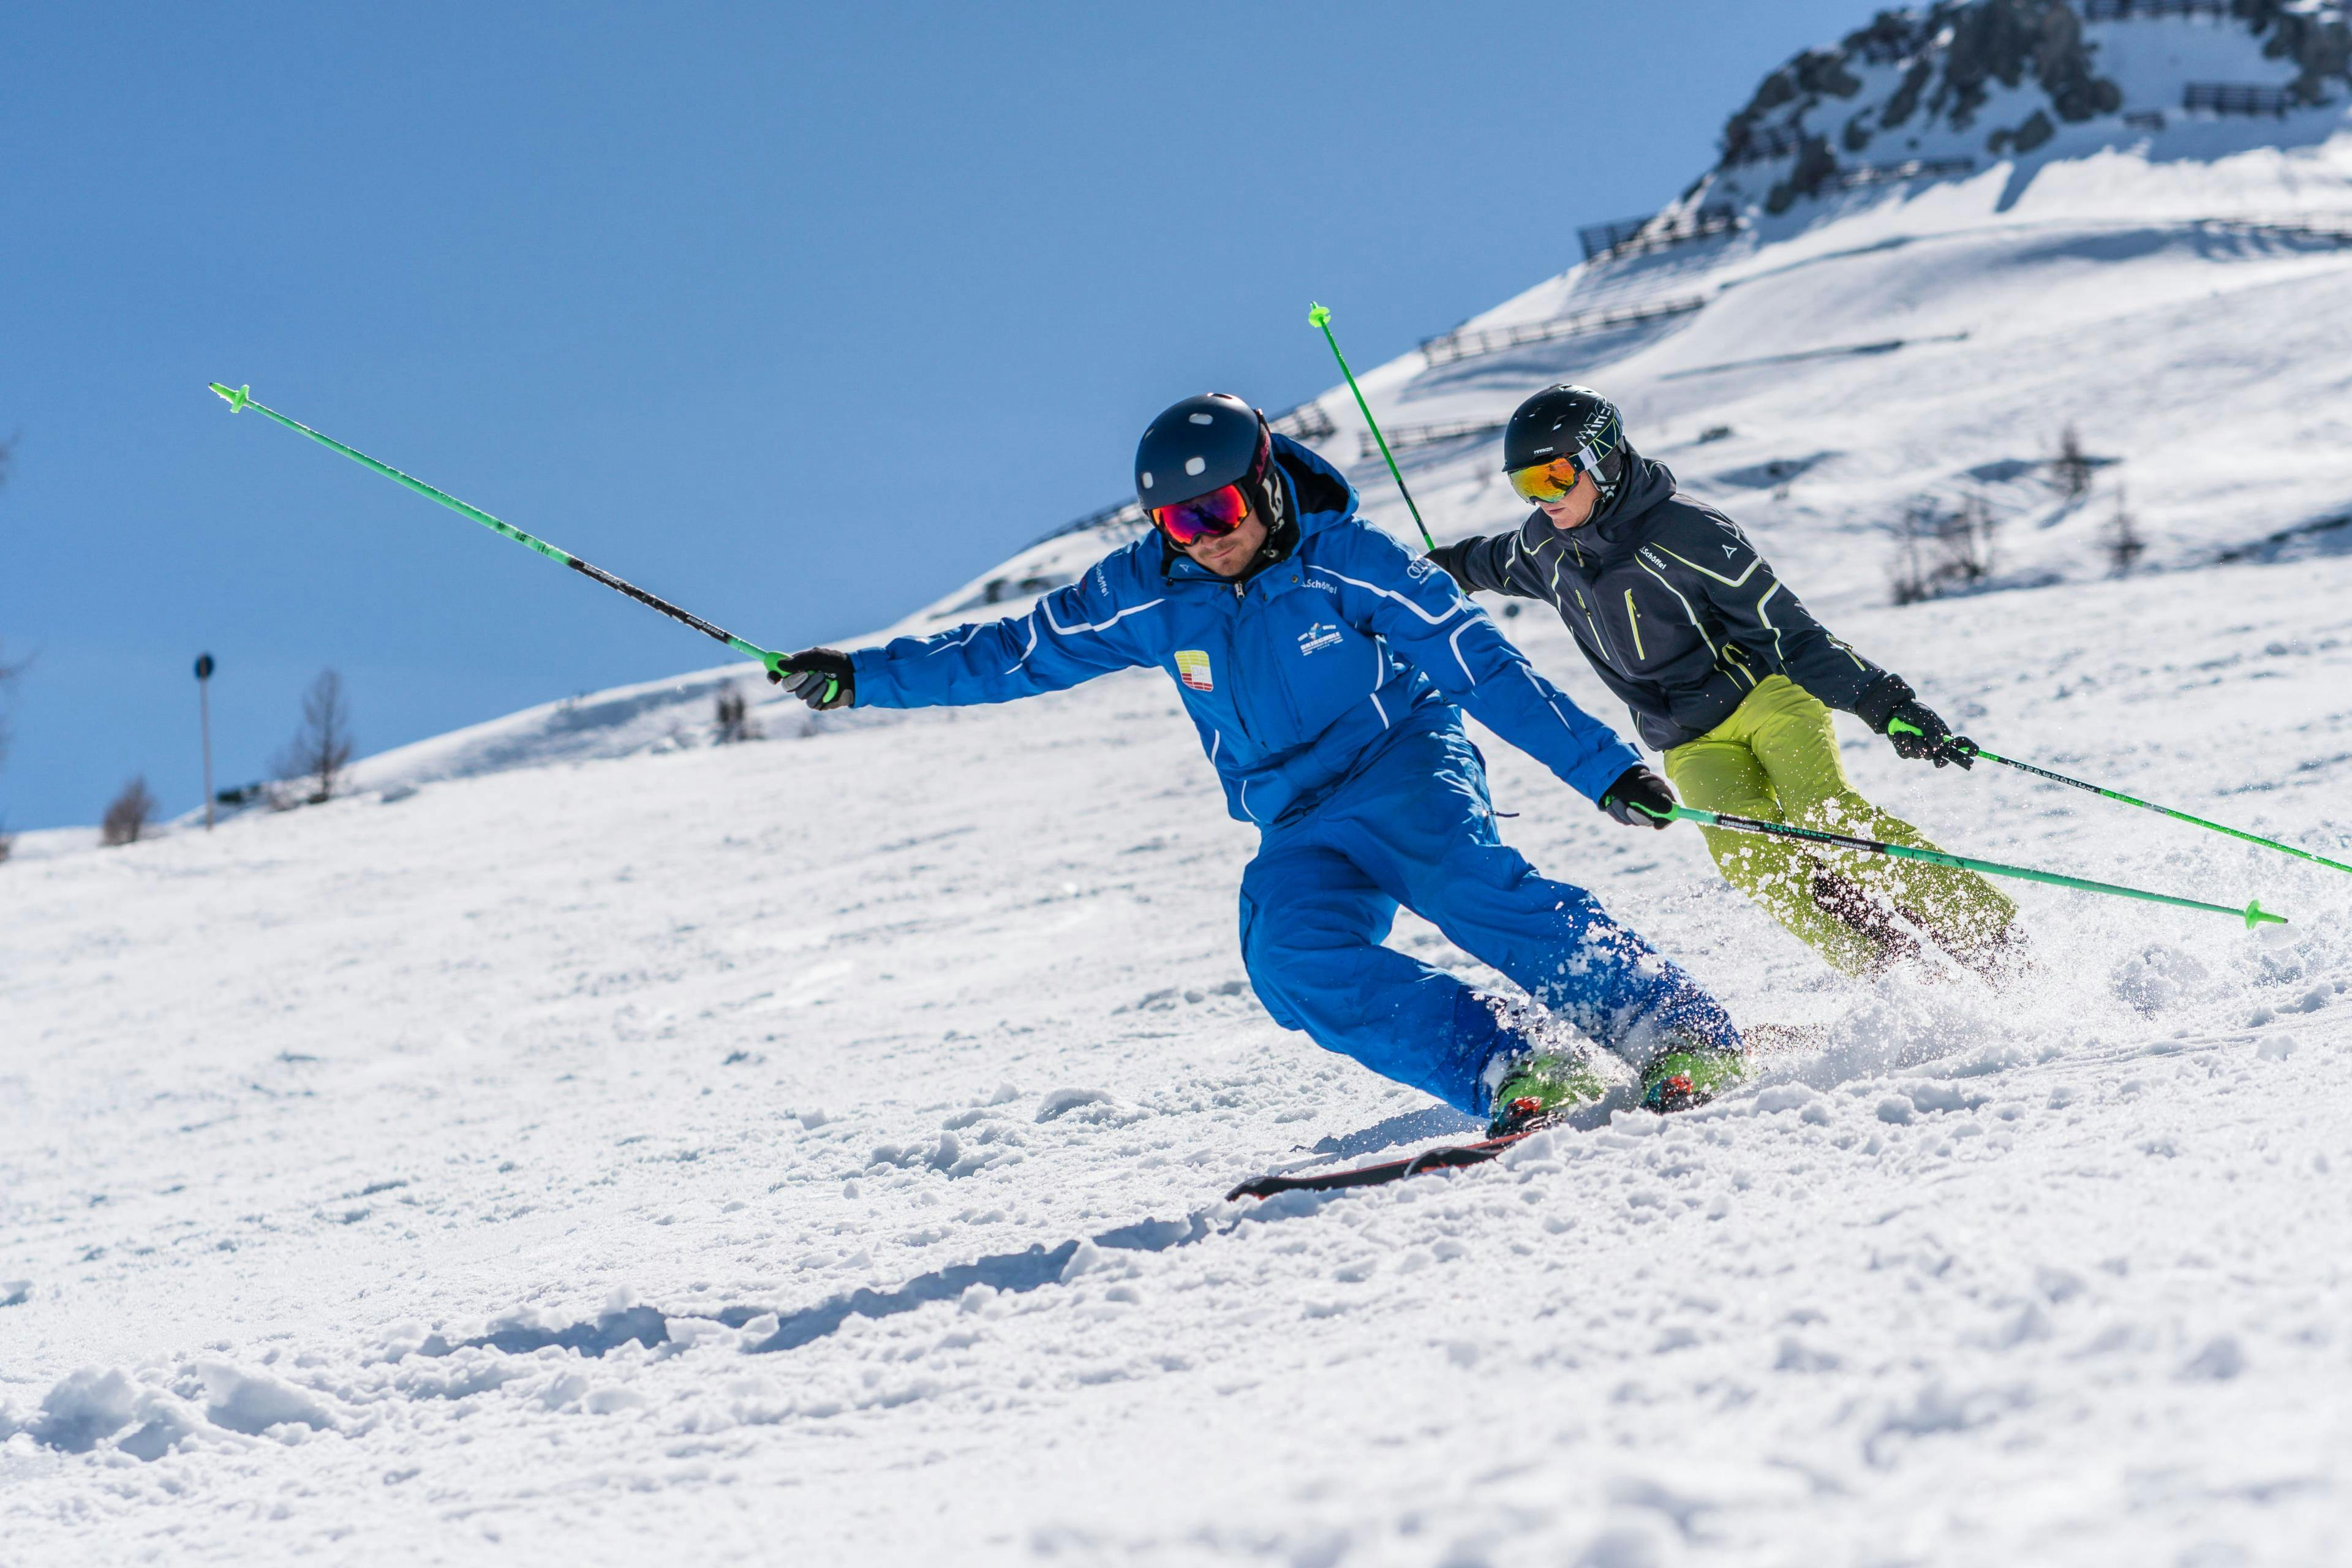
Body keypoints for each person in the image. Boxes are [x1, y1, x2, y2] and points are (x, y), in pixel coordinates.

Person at [771, 393, 1746, 1130]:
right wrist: (860, 679)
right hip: (1296, 821)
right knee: (1290, 959)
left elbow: (1475, 663)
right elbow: (1011, 653)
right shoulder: (1148, 593)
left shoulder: (1348, 559)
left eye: (1225, 507)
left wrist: (1600, 770)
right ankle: (1508, 1067)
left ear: (1268, 480)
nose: (1212, 538)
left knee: (1469, 886)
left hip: (1401, 762)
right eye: (1181, 524)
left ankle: (1672, 1028)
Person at [1425, 385, 2020, 979]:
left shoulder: (1687, 532)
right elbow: (1484, 562)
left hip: (1766, 695)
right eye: (1527, 484)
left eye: (1555, 476)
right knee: (1747, 857)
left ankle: (1992, 936)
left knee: (1826, 815)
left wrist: (1885, 703)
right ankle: (1893, 975)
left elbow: (1790, 630)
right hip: (1686, 733)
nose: (1543, 498)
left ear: (1601, 459)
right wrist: (1433, 572)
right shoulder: (1544, 547)